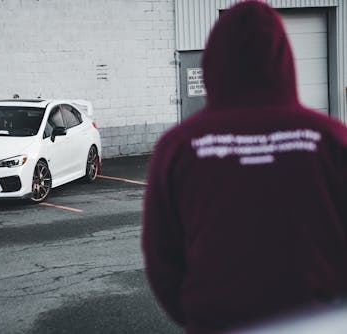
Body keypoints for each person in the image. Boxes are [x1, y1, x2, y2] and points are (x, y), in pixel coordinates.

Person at [142, 1, 347, 333]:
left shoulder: (178, 148)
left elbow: (162, 260)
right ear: (284, 61)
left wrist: (202, 317)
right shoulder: (332, 140)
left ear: (215, 61)